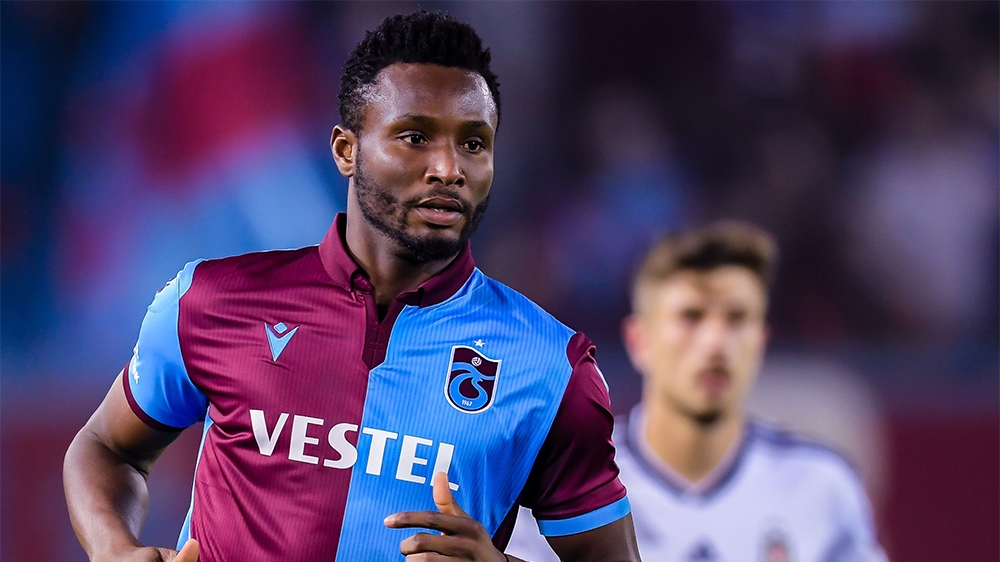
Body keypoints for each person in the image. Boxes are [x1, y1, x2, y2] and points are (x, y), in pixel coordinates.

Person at [62, 11, 640, 562]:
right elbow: (107, 449)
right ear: (346, 150)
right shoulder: (212, 300)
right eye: (415, 137)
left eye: (473, 143)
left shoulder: (551, 366)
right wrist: (113, 547)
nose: (449, 168)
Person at [507, 223, 887, 561]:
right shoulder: (563, 481)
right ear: (639, 340)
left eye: (736, 319)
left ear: (760, 342)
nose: (715, 343)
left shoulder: (820, 487)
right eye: (691, 317)